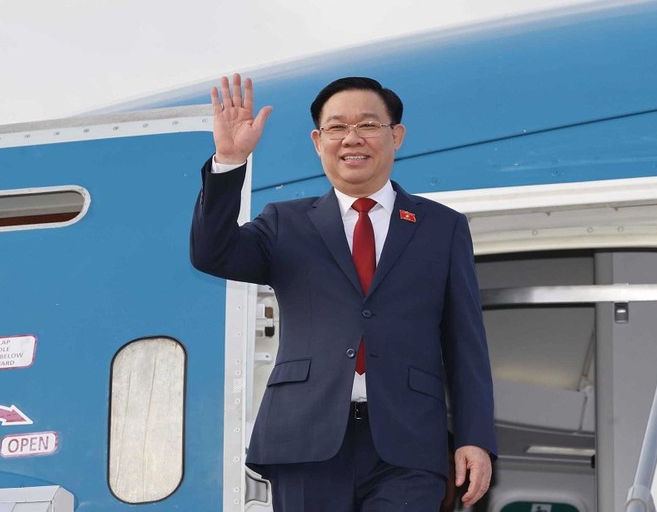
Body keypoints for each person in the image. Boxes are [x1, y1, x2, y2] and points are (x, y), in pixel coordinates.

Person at [191, 73, 496, 511]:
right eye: (337, 127)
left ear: (397, 135)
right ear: (318, 141)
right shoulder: (285, 222)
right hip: (304, 438)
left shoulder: (442, 227)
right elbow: (211, 253)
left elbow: (466, 341)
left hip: (408, 444)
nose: (352, 138)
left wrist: (474, 437)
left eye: (368, 125)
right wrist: (228, 161)